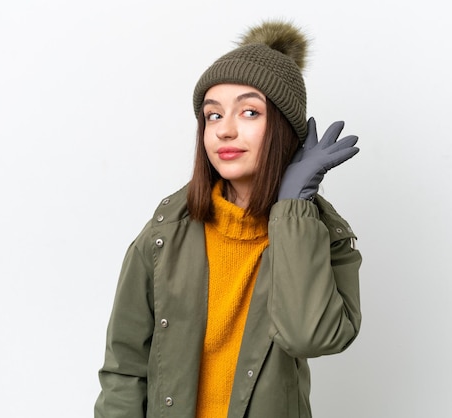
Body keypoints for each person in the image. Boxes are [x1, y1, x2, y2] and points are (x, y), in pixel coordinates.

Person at [94, 19, 362, 418]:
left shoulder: (322, 236)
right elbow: (124, 367)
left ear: (285, 130)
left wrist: (292, 210)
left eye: (249, 111)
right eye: (213, 116)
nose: (225, 130)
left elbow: (311, 337)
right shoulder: (166, 232)